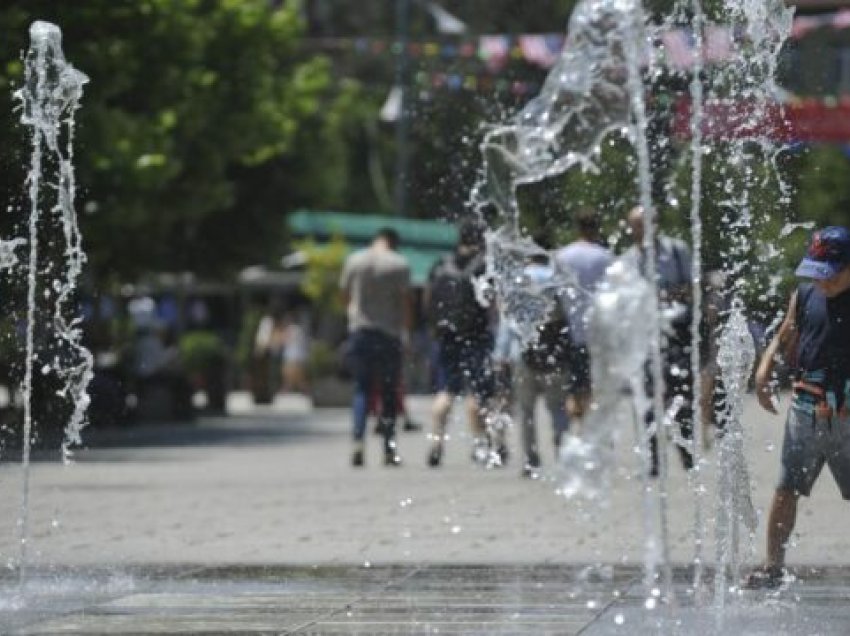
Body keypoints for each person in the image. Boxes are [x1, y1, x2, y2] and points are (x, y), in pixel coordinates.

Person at [745, 226, 850, 590]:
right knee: (785, 487)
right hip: (805, 408)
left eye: (831, 273)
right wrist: (764, 368)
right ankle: (773, 566)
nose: (823, 281)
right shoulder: (805, 293)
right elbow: (787, 330)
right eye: (818, 271)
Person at [622, 205, 694, 475]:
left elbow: (692, 287)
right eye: (635, 225)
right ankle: (652, 460)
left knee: (681, 397)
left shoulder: (677, 251)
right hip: (645, 336)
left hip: (676, 332)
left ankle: (687, 455)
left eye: (644, 224)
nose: (639, 230)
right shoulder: (627, 260)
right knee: (649, 399)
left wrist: (664, 296)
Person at [425, 218, 501, 467]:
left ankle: (436, 443)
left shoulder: (440, 265)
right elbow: (493, 306)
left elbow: (428, 301)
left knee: (445, 392)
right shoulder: (483, 267)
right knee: (476, 394)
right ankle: (480, 444)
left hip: (445, 335)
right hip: (476, 336)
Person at [339, 227, 412, 467]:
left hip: (360, 331)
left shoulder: (355, 260)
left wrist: (352, 316)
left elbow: (344, 295)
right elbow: (405, 303)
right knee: (389, 392)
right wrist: (406, 332)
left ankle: (358, 441)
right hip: (388, 333)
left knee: (362, 389)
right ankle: (389, 449)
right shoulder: (399, 264)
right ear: (393, 242)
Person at [513, 244, 572, 477]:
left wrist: (502, 353)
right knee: (557, 408)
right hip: (555, 355)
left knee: (526, 411)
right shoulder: (556, 279)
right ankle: (561, 454)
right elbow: (568, 317)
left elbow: (511, 322)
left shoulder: (520, 280)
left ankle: (531, 459)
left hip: (526, 355)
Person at [555, 207, 613, 429]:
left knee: (574, 386)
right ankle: (586, 428)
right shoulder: (604, 257)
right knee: (593, 387)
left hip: (568, 330)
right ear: (597, 228)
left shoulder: (562, 256)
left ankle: (577, 426)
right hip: (597, 333)